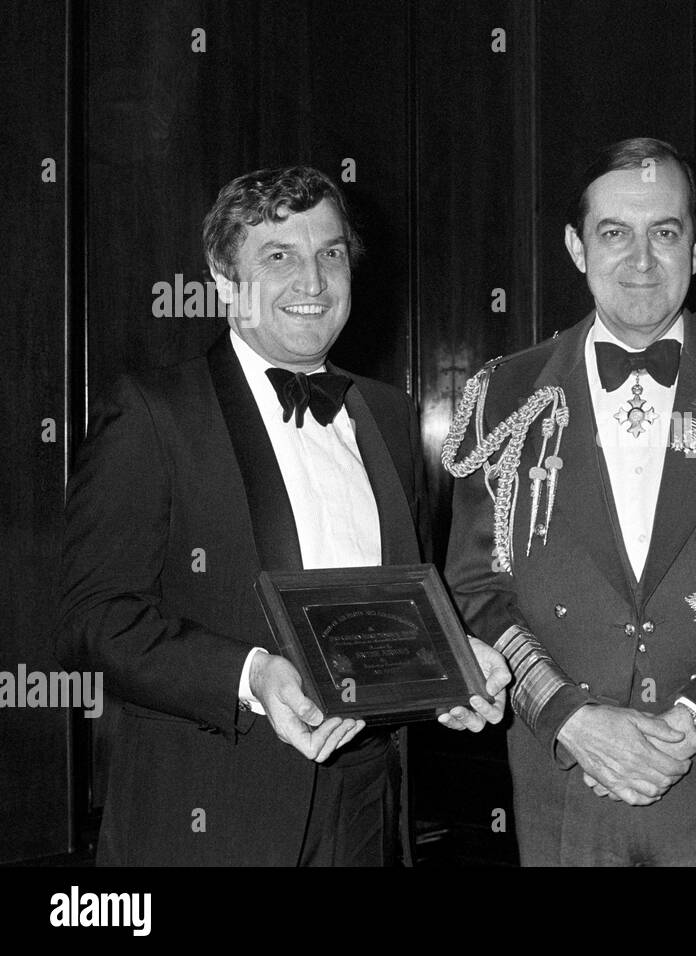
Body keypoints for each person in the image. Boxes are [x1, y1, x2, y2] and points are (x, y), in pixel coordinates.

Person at [58, 166, 509, 866]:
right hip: (209, 817)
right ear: (222, 276)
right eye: (279, 257)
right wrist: (252, 675)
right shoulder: (151, 415)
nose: (313, 282)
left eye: (330, 253)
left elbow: (404, 601)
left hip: (371, 802)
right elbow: (93, 620)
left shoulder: (388, 415)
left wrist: (453, 665)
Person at [444, 137, 696, 865]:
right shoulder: (501, 392)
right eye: (614, 234)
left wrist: (692, 724)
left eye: (666, 233)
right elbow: (477, 589)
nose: (642, 260)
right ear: (575, 246)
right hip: (563, 775)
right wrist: (574, 721)